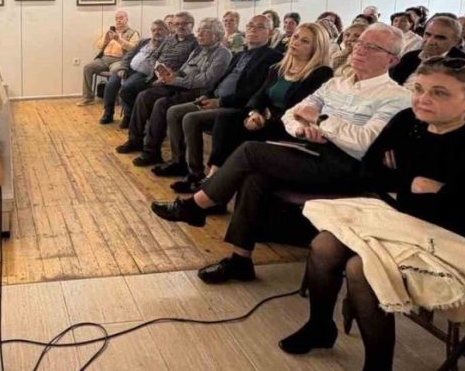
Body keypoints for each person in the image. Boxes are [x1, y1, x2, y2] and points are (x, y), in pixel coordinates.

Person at [279, 59, 465, 369]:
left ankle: (378, 365)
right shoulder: (406, 121)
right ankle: (320, 327)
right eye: (418, 89)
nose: (423, 99)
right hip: (409, 219)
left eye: (439, 93)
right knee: (324, 244)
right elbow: (368, 173)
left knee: (361, 267)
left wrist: (405, 186)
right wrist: (414, 183)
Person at [151, 24, 410, 284]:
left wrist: (321, 121)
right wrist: (301, 130)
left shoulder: (396, 96)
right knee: (255, 177)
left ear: (392, 59)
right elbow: (291, 114)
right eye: (359, 42)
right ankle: (241, 259)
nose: (359, 49)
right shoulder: (336, 84)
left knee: (250, 150)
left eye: (371, 46)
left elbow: (365, 143)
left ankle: (194, 206)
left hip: (348, 167)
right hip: (308, 149)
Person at [169, 23, 333, 193]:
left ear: (316, 48)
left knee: (230, 128)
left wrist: (264, 119)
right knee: (225, 120)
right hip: (264, 117)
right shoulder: (278, 68)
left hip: (287, 126)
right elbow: (259, 96)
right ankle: (213, 179)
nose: (295, 42)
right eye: (296, 37)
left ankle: (212, 187)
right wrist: (254, 112)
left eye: (304, 41)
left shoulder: (320, 73)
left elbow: (298, 109)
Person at [150, 15, 282, 181]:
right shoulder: (240, 55)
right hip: (214, 98)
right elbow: (220, 79)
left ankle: (195, 173)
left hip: (235, 106)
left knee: (190, 118)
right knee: (174, 111)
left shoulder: (272, 58)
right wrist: (209, 94)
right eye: (250, 25)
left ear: (270, 33)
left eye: (259, 27)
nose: (252, 29)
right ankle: (178, 162)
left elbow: (253, 92)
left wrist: (219, 102)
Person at [117, 18, 232, 166]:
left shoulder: (222, 54)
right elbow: (183, 70)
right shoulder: (199, 49)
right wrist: (170, 75)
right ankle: (135, 140)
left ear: (216, 34)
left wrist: (175, 81)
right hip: (181, 85)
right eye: (199, 31)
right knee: (144, 96)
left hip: (198, 92)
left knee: (161, 104)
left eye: (204, 32)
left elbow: (206, 80)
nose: (199, 35)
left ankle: (152, 151)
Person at [117, 11, 199, 128]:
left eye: (184, 23)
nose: (180, 26)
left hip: (172, 81)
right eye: (177, 24)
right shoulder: (169, 39)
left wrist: (168, 75)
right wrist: (156, 69)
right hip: (153, 76)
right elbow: (154, 55)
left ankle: (140, 131)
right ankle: (135, 125)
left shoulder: (195, 44)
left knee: (143, 96)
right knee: (126, 90)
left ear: (192, 25)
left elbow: (188, 67)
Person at [99, 20, 169, 124]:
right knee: (111, 83)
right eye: (154, 30)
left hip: (144, 74)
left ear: (166, 31)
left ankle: (129, 115)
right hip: (130, 69)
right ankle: (108, 113)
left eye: (160, 30)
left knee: (126, 88)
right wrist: (123, 68)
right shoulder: (145, 41)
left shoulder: (167, 46)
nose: (156, 32)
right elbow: (129, 54)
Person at [389, 16, 465, 85]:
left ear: (456, 41)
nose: (430, 41)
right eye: (427, 35)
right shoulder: (410, 57)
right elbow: (392, 84)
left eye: (440, 38)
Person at [77, 10, 140, 105]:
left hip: (119, 60)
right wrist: (106, 39)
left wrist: (119, 39)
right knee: (88, 67)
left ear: (127, 19)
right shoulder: (111, 32)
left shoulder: (133, 33)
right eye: (117, 18)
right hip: (104, 59)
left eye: (121, 18)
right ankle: (88, 98)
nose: (119, 20)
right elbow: (98, 45)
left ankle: (112, 99)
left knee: (115, 71)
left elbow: (133, 48)